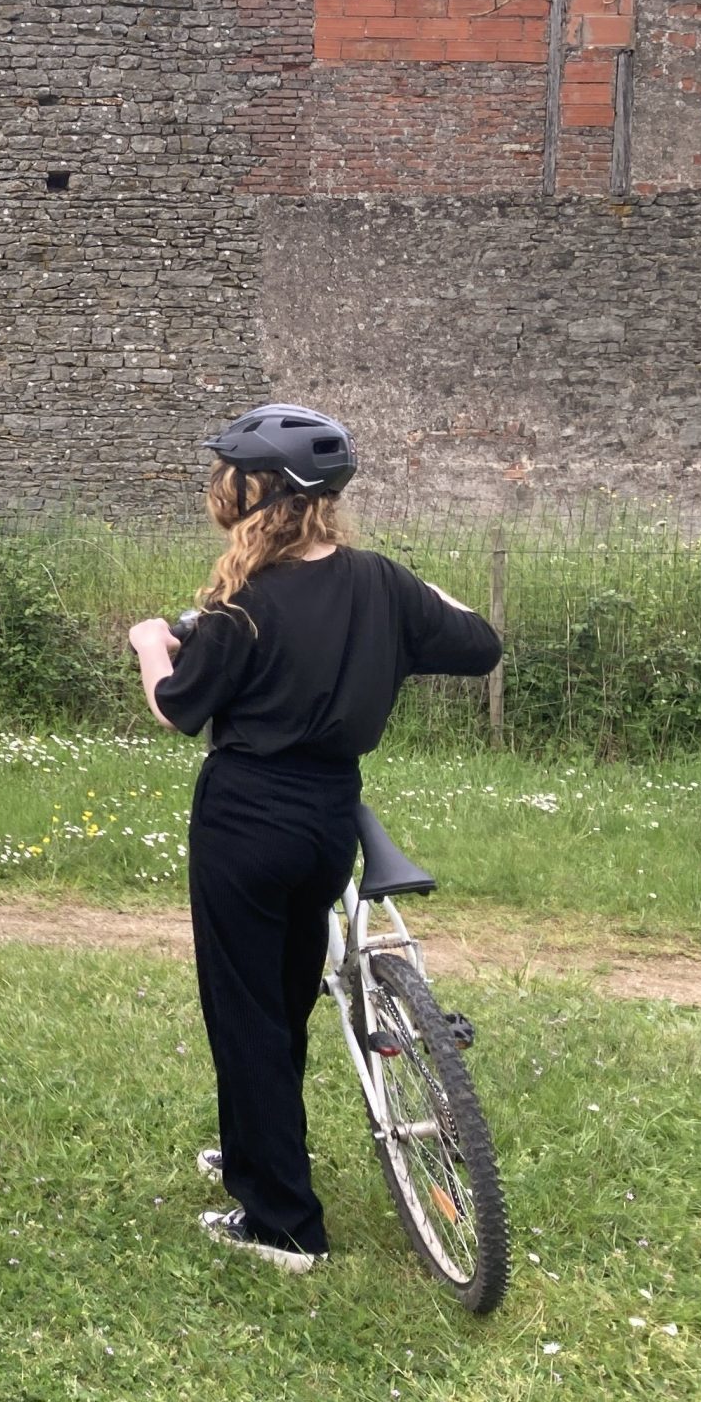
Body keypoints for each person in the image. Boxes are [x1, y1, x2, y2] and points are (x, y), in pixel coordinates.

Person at [128, 404, 501, 1273]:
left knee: (245, 1009)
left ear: (257, 492)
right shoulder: (382, 583)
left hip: (247, 818)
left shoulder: (243, 605)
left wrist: (151, 644)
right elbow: (479, 645)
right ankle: (261, 1154)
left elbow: (178, 708)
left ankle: (282, 1225)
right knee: (286, 996)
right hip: (331, 820)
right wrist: (415, 589)